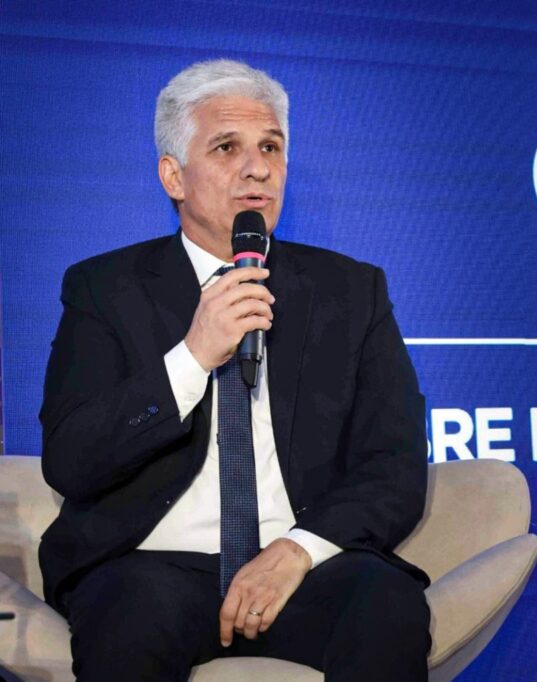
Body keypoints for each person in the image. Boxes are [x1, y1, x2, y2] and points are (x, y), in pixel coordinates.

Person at [38, 59, 431, 681]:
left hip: (300, 563)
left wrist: (299, 549)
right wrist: (193, 356)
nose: (258, 168)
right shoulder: (104, 288)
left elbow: (395, 463)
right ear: (174, 176)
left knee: (385, 604)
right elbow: (71, 458)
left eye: (270, 147)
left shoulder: (351, 291)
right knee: (130, 615)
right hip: (151, 565)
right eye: (227, 147)